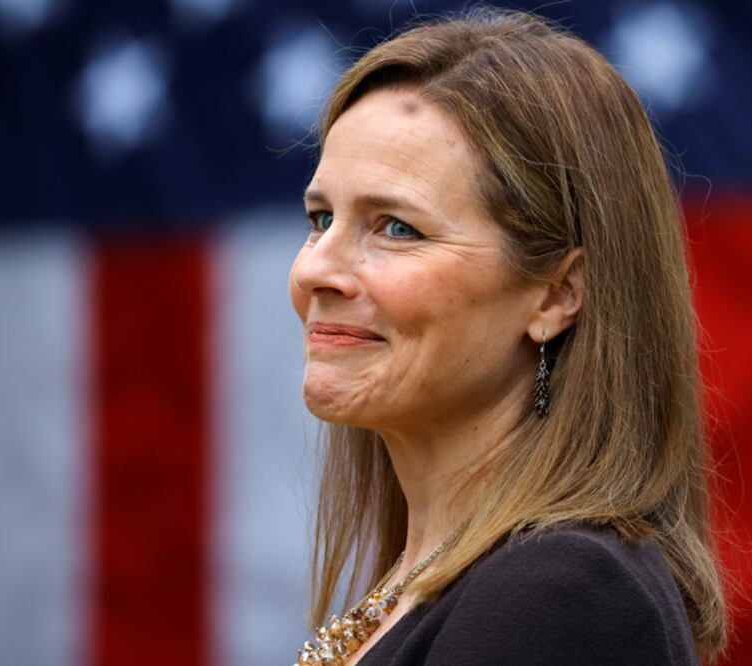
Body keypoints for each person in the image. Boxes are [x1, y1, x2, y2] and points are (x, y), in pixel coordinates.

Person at [288, 8, 727, 665]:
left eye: (396, 227)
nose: (315, 268)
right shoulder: (447, 581)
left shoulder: (562, 596)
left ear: (556, 295)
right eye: (321, 218)